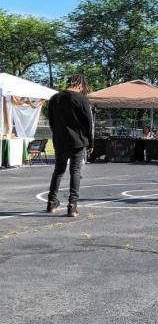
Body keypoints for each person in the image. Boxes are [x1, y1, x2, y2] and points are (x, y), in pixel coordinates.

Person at [46, 74, 93, 218]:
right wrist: (90, 142)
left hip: (60, 140)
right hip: (77, 141)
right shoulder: (81, 99)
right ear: (80, 84)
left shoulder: (54, 98)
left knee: (58, 171)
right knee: (75, 171)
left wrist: (58, 135)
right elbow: (88, 123)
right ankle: (72, 205)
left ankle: (51, 202)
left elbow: (52, 121)